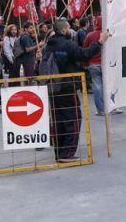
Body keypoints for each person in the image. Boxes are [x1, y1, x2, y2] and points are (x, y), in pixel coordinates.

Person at [41, 20, 107, 160]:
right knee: (73, 118)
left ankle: (60, 152)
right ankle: (67, 153)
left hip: (53, 87)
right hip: (67, 86)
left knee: (58, 119)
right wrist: (100, 42)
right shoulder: (68, 44)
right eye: (69, 28)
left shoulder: (48, 45)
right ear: (64, 30)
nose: (71, 31)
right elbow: (84, 54)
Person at [82, 19, 106, 116]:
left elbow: (85, 50)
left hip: (93, 64)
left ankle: (101, 109)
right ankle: (112, 107)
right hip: (107, 64)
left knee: (97, 87)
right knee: (109, 86)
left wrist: (85, 64)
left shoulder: (89, 35)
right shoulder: (108, 34)